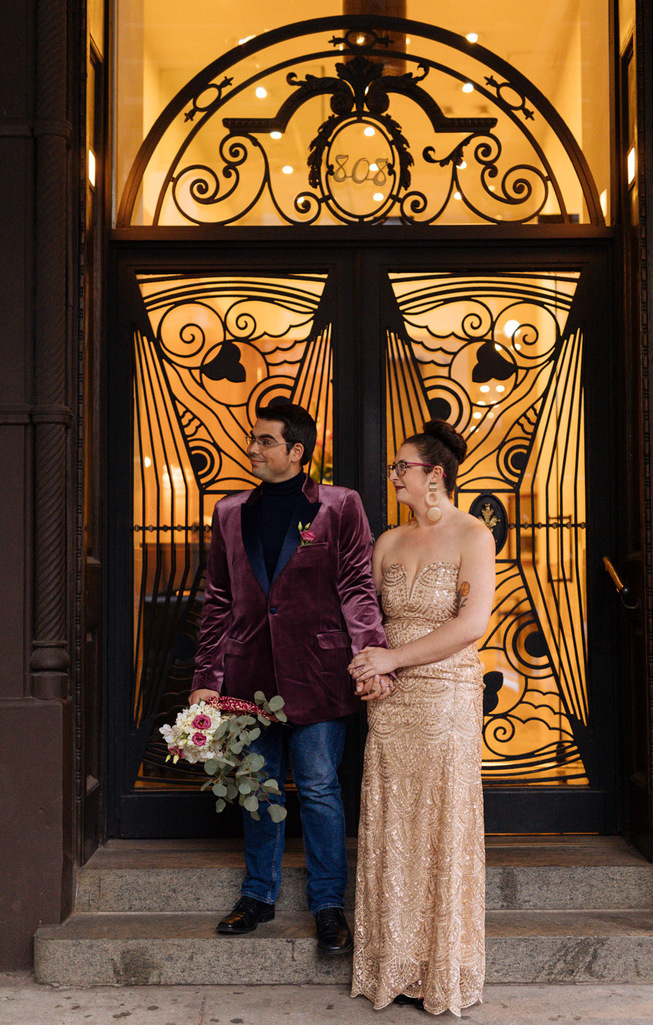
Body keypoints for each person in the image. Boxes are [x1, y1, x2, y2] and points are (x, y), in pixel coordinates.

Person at [189, 402, 392, 955]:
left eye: (264, 441)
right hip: (247, 671)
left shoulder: (340, 505)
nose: (252, 449)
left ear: (296, 451)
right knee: (258, 787)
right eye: (253, 441)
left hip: (318, 673)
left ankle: (329, 906)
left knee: (322, 790)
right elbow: (218, 600)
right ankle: (258, 896)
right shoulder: (229, 512)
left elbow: (355, 587)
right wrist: (207, 675)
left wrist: (371, 654)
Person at [348, 420, 496, 1015]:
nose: (393, 476)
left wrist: (395, 658)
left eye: (400, 467)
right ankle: (392, 965)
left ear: (434, 475)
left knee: (441, 828)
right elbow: (364, 619)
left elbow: (470, 625)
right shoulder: (386, 541)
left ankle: (443, 969)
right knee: (393, 826)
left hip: (446, 696)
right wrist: (371, 668)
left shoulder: (473, 535)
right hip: (391, 703)